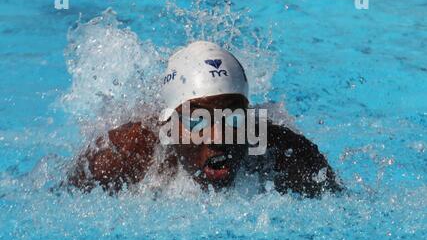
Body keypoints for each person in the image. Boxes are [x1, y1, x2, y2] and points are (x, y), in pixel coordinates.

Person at [68, 41, 342, 197]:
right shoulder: (124, 153)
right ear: (169, 125)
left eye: (233, 118)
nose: (218, 136)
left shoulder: (286, 154)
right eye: (196, 120)